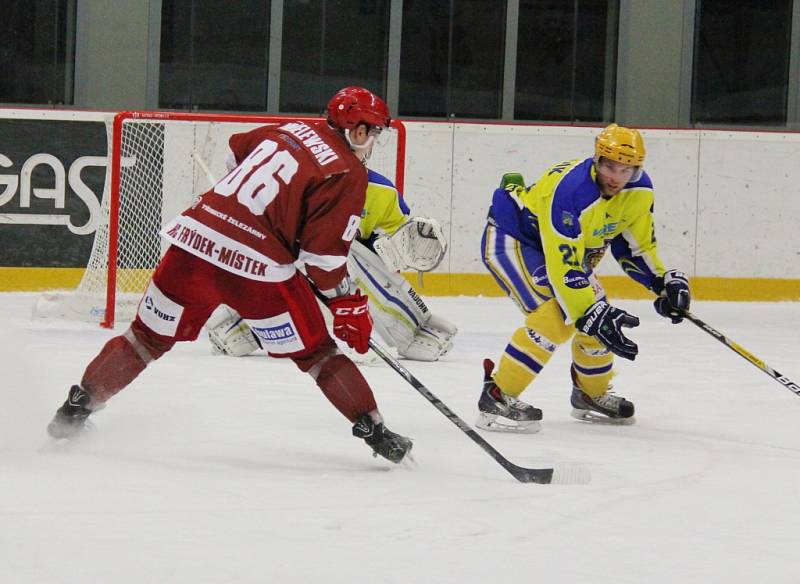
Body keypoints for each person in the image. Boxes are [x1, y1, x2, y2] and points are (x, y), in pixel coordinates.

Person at [47, 86, 413, 464]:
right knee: (319, 356)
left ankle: (75, 410)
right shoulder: (347, 172)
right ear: (358, 130)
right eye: (373, 132)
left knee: (143, 339)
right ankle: (377, 433)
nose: (372, 141)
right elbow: (321, 259)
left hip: (194, 244)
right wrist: (346, 303)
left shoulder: (288, 129)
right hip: (257, 272)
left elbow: (233, 154)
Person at [477, 124, 690, 433]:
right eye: (609, 166)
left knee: (596, 316)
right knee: (557, 315)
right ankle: (498, 393)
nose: (615, 177)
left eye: (625, 169)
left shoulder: (639, 192)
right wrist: (587, 312)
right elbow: (562, 269)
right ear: (597, 159)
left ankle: (590, 394)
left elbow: (635, 246)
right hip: (514, 239)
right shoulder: (572, 190)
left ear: (637, 169)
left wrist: (663, 283)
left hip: (563, 256)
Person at [206, 168, 457, 362]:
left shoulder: (383, 191)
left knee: (352, 256)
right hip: (294, 264)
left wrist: (391, 246)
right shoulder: (303, 180)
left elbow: (386, 250)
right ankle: (240, 324)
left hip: (342, 271)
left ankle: (416, 328)